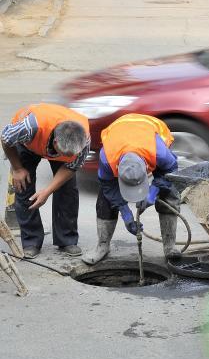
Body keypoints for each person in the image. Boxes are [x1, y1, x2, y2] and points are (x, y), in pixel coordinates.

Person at [82, 114, 181, 265]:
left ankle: (169, 247)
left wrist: (152, 194)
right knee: (105, 198)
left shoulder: (159, 152)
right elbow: (108, 185)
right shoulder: (107, 158)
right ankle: (102, 246)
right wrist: (126, 214)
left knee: (169, 192)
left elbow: (171, 170)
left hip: (151, 134)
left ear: (146, 166)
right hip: (120, 136)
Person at [1, 103, 89, 258]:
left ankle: (67, 239)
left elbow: (71, 166)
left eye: (72, 154)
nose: (69, 158)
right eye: (66, 154)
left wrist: (47, 191)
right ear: (55, 143)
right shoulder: (29, 127)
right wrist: (17, 169)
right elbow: (5, 138)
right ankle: (31, 241)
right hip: (28, 144)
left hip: (55, 141)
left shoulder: (84, 139)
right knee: (23, 187)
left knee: (68, 190)